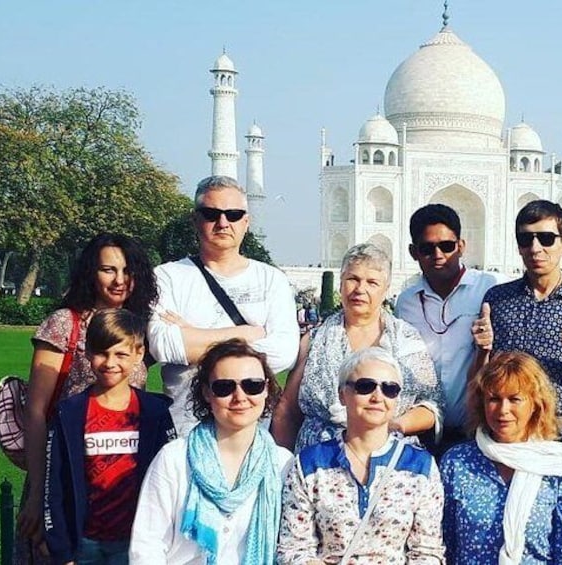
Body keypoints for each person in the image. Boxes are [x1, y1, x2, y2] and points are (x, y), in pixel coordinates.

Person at [16, 233, 158, 564]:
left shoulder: (139, 328)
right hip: (63, 481)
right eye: (108, 270)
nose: (120, 280)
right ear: (90, 273)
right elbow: (36, 411)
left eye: (127, 270)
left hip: (121, 488)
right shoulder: (65, 323)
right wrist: (38, 493)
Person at [149, 175, 299, 436]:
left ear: (246, 222)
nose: (223, 223)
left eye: (233, 214)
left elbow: (283, 353)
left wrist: (192, 337)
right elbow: (164, 345)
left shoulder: (271, 279)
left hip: (251, 434)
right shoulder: (167, 276)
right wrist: (246, 334)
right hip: (185, 430)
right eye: (211, 214)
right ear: (195, 220)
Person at [130, 339, 292, 564]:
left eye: (252, 385)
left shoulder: (283, 464)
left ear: (266, 389)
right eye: (224, 387)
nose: (240, 397)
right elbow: (147, 545)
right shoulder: (174, 459)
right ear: (207, 393)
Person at [270, 243, 444, 452]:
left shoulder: (406, 339)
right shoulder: (315, 339)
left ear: (385, 289)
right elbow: (287, 410)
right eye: (353, 279)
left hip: (387, 457)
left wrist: (388, 428)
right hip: (320, 460)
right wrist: (285, 465)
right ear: (340, 284)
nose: (360, 289)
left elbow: (430, 406)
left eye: (372, 282)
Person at [277, 348, 445, 563]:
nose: (377, 397)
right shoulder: (310, 463)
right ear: (342, 394)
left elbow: (426, 552)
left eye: (389, 389)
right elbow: (294, 548)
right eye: (365, 386)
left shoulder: (421, 466)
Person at [43, 309, 176, 565]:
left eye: (121, 354)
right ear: (88, 352)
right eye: (102, 353)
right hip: (85, 543)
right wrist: (62, 550)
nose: (110, 363)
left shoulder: (155, 413)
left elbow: (170, 482)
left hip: (137, 542)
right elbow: (54, 485)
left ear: (139, 354)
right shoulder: (69, 414)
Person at [440, 351, 562, 564]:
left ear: (535, 404)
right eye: (494, 399)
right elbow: (444, 544)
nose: (503, 410)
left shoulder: (558, 469)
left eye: (515, 399)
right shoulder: (457, 463)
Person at [472, 200, 562, 444]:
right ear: (519, 247)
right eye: (526, 239)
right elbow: (479, 381)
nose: (535, 248)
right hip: (506, 432)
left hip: (559, 433)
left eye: (546, 238)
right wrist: (482, 351)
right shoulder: (498, 299)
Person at [395, 204, 507, 451]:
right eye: (427, 248)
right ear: (414, 252)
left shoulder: (489, 287)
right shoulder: (406, 302)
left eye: (446, 246)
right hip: (421, 430)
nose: (438, 255)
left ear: (461, 246)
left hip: (477, 428)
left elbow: (531, 288)